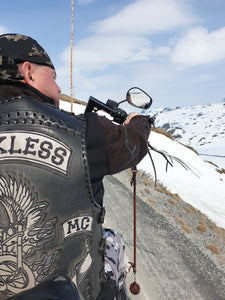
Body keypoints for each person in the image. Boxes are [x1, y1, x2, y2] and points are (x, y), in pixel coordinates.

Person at [0, 33, 151, 300]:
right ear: (28, 72)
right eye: (53, 77)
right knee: (113, 245)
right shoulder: (83, 132)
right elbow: (133, 146)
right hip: (74, 290)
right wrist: (138, 122)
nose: (58, 88)